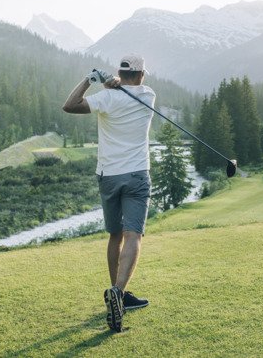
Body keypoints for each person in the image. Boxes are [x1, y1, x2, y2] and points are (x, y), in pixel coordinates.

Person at [62, 54, 155, 333]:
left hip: (108, 176)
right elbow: (131, 89)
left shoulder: (106, 98)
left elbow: (69, 105)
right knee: (133, 234)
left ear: (119, 73)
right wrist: (112, 84)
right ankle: (118, 292)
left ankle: (120, 295)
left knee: (116, 235)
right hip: (137, 174)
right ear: (140, 75)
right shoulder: (148, 96)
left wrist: (92, 79)